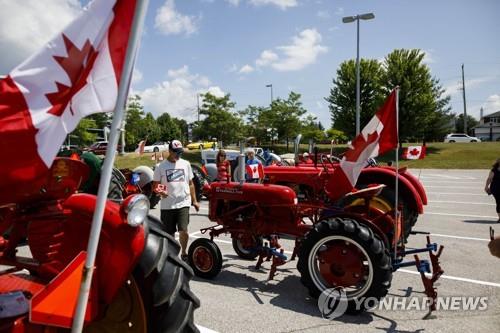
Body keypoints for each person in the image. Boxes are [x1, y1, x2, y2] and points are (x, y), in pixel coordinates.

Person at [153, 140, 200, 260]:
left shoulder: (186, 164)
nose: (178, 155)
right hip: (167, 206)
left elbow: (190, 184)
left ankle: (184, 252)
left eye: (180, 152)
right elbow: (155, 186)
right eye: (176, 153)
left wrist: (194, 200)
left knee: (183, 230)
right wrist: (161, 192)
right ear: (169, 151)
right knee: (169, 234)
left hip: (183, 202)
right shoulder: (160, 167)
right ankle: (171, 255)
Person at [485, 158, 500, 223]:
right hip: (496, 188)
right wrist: (486, 186)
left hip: (495, 188)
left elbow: (489, 179)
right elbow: (489, 179)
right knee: (499, 202)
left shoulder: (493, 170)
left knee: (499, 202)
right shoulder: (494, 170)